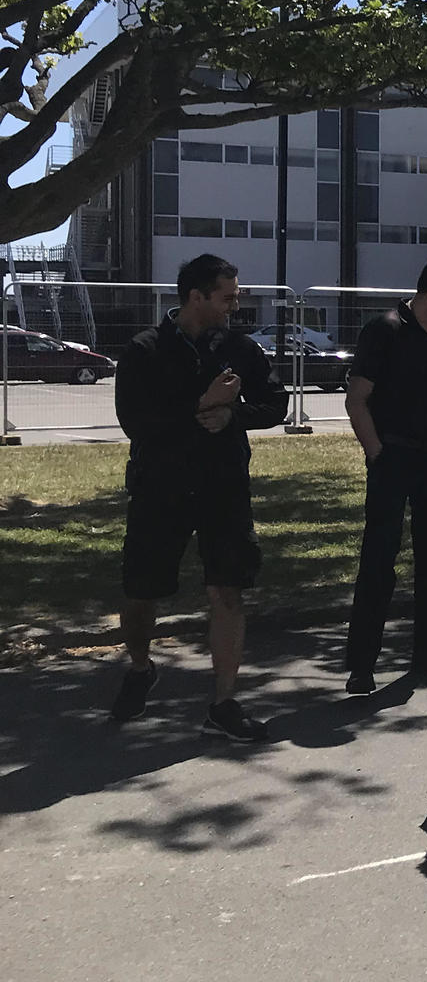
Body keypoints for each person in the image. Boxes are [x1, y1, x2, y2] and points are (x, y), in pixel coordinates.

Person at [109, 254, 289, 740]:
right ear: (196, 297)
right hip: (160, 488)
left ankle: (223, 702)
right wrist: (201, 406)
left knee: (227, 589)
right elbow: (135, 422)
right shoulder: (145, 349)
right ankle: (141, 668)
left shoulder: (240, 348)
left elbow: (274, 403)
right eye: (227, 296)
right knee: (142, 590)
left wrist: (234, 415)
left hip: (223, 487)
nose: (236, 304)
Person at [343, 255, 427, 691]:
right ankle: (362, 664)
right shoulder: (384, 329)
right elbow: (356, 399)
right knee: (379, 560)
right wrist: (376, 453)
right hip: (392, 460)